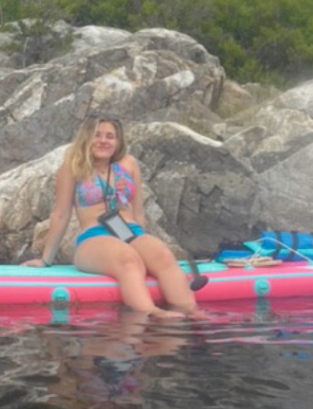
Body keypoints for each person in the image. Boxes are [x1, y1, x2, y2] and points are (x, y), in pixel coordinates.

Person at [24, 115, 198, 319]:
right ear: (86, 138)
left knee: (163, 255)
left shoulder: (129, 164)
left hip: (131, 233)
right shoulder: (72, 168)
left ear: (118, 142)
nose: (103, 141)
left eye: (110, 136)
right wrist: (46, 260)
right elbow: (61, 214)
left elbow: (138, 212)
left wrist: (146, 248)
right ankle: (151, 312)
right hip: (94, 237)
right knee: (128, 259)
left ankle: (191, 311)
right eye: (97, 135)